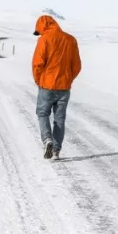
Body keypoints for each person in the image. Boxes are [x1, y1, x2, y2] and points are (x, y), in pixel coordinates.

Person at [32, 14, 82, 160]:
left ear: (43, 27)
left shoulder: (44, 40)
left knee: (42, 114)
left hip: (47, 85)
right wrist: (67, 79)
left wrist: (39, 81)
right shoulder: (70, 39)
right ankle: (56, 150)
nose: (39, 34)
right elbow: (77, 66)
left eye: (39, 31)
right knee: (59, 119)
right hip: (64, 88)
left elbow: (37, 64)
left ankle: (47, 140)